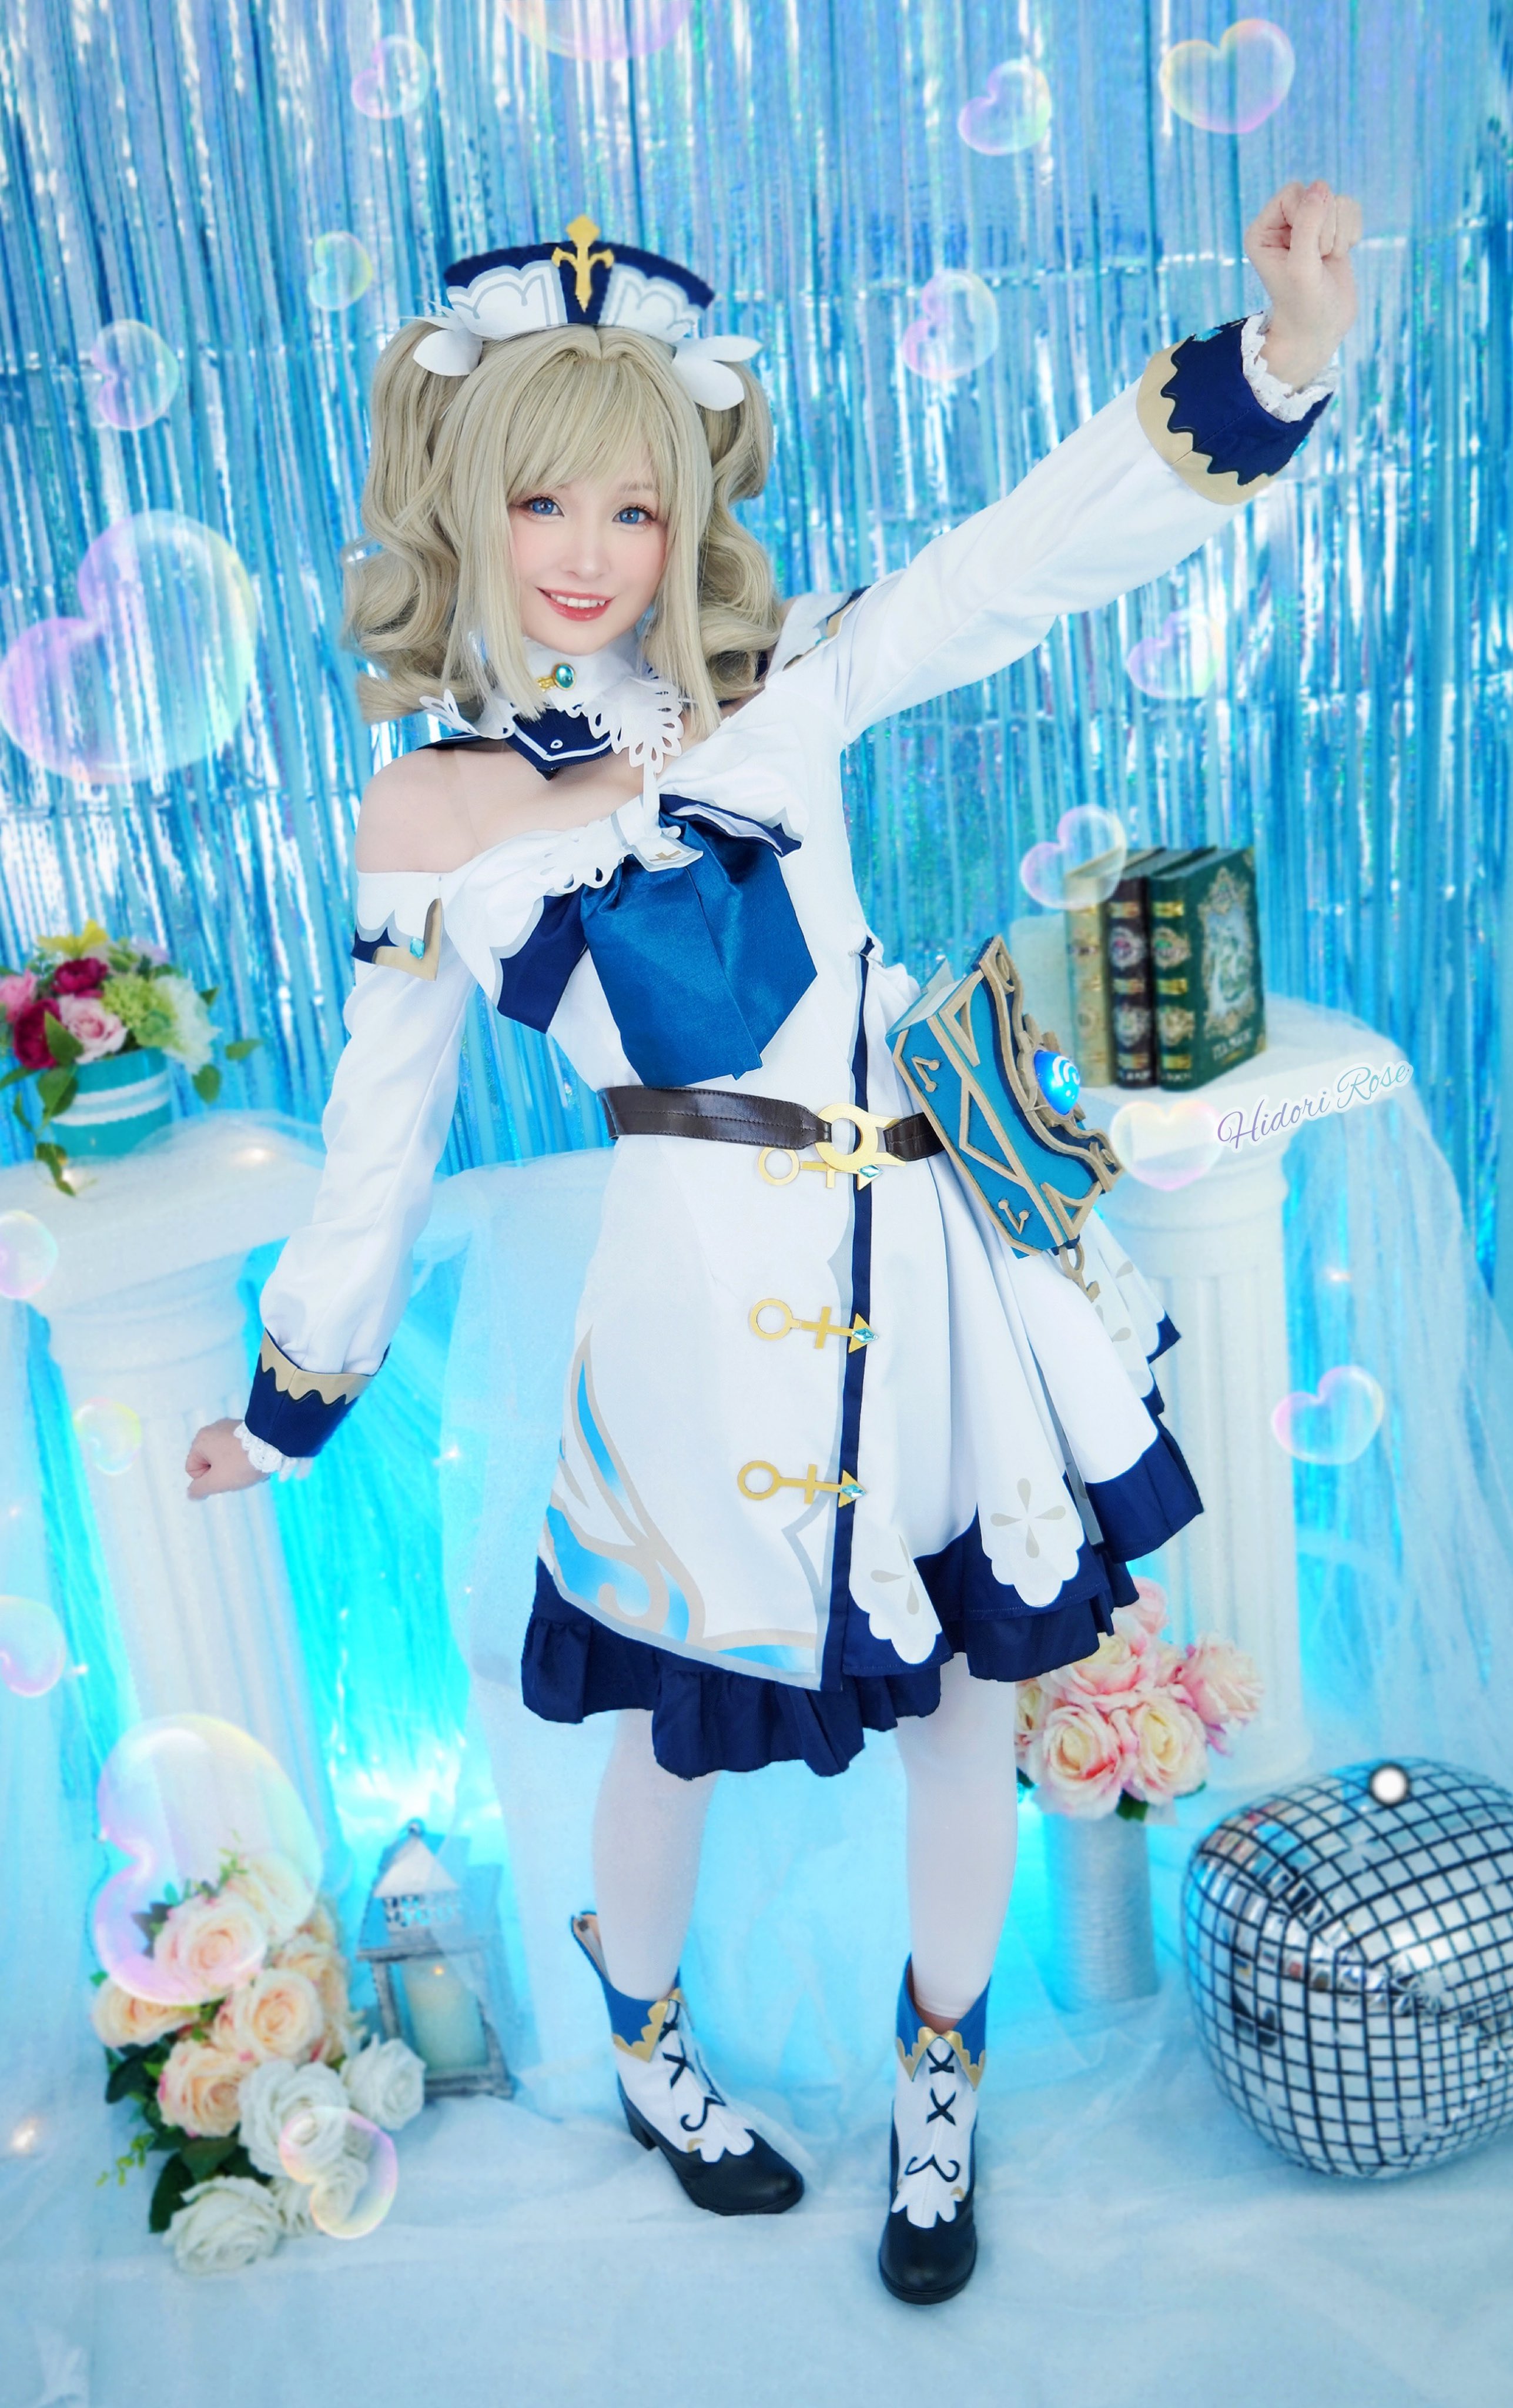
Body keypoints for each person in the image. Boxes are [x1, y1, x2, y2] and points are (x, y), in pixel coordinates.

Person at [187, 183, 1361, 2303]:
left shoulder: (780, 681)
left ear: (683, 517)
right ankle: (644, 2044)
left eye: (633, 508)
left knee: (971, 1696)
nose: (586, 551)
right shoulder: (427, 810)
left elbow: (1005, 570)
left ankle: (942, 2083)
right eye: (540, 498)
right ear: (465, 498)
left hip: (922, 1267)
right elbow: (384, 1130)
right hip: (693, 1312)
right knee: (674, 1721)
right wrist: (292, 1401)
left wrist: (1271, 366)